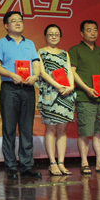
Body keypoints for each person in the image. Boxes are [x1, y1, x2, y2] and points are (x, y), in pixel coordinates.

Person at [0, 11, 43, 180]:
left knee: (27, 128)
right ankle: (11, 166)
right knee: (9, 128)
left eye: (20, 20)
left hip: (28, 88)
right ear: (6, 25)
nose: (18, 23)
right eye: (13, 21)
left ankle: (27, 166)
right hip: (10, 88)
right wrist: (11, 75)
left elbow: (36, 63)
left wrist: (35, 76)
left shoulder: (30, 43)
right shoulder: (0, 43)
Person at [69, 20, 100, 174]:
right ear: (82, 33)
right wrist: (87, 89)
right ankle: (84, 162)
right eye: (89, 30)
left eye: (95, 30)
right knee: (85, 131)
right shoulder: (75, 50)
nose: (93, 33)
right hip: (85, 96)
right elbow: (72, 72)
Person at [38, 24, 75, 177]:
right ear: (45, 36)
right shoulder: (41, 52)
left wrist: (71, 86)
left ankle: (61, 162)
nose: (54, 36)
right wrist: (58, 86)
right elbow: (42, 72)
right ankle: (52, 163)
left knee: (62, 130)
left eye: (56, 34)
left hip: (66, 95)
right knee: (51, 129)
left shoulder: (65, 53)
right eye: (50, 34)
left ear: (60, 36)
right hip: (50, 95)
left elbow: (69, 71)